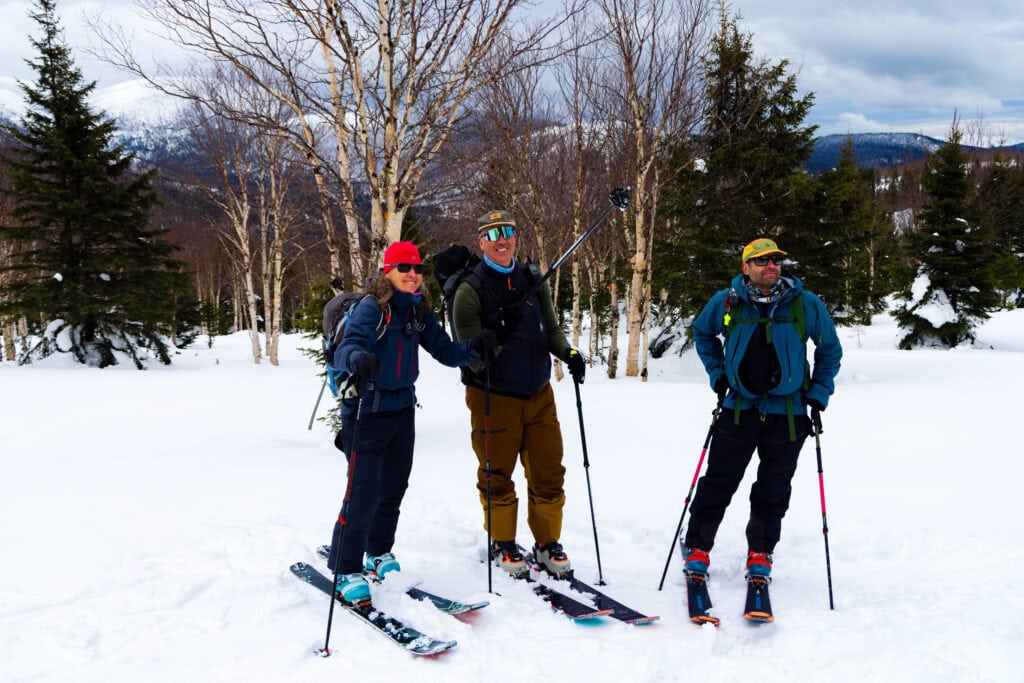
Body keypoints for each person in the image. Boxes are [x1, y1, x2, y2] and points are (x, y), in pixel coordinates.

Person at [326, 241, 496, 604]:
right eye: (404, 267)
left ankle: (378, 553)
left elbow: (446, 352)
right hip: (366, 411)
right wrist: (358, 359)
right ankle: (345, 567)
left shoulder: (418, 311)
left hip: (402, 410)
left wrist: (474, 346)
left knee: (392, 489)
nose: (412, 274)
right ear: (388, 270)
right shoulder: (373, 309)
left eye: (417, 268)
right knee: (362, 493)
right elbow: (345, 349)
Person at [683, 237, 842, 582]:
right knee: (719, 481)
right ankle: (697, 546)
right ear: (746, 267)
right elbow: (702, 333)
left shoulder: (805, 304)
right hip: (738, 408)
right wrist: (718, 375)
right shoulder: (727, 302)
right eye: (762, 261)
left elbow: (829, 349)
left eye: (776, 260)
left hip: (790, 413)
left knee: (774, 485)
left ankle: (761, 550)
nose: (771, 266)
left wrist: (818, 394)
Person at [450, 209, 586, 577]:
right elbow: (467, 353)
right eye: (493, 234)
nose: (502, 240)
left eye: (507, 231)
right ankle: (504, 542)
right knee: (496, 472)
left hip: (540, 394)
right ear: (481, 242)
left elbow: (551, 330)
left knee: (549, 470)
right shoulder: (470, 290)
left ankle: (547, 543)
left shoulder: (531, 277)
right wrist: (493, 341)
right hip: (494, 397)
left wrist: (569, 353)